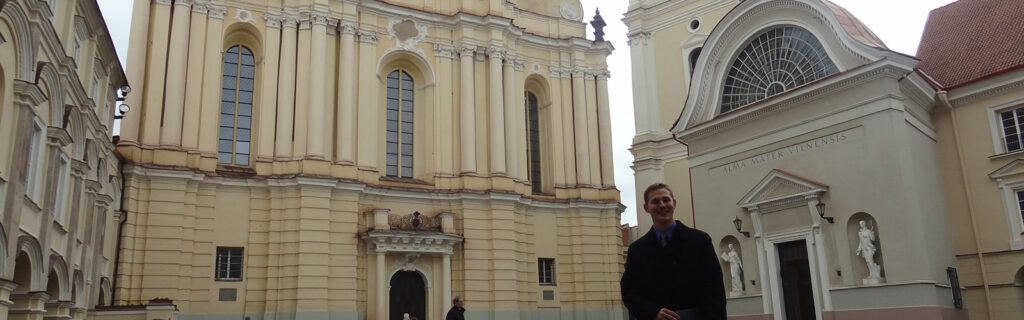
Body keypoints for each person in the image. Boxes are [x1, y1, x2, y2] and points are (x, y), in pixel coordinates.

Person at [621, 183, 726, 320]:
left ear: (674, 203)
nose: (662, 205)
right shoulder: (636, 250)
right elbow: (629, 291)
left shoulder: (700, 241)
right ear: (646, 208)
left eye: (666, 200)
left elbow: (714, 288)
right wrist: (652, 312)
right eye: (655, 201)